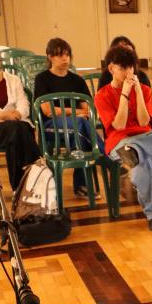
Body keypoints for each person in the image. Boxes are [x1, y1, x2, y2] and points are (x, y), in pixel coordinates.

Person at [94, 45, 152, 232]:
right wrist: (125, 94)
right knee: (145, 161)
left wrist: (138, 93)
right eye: (123, 68)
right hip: (119, 142)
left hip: (143, 136)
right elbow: (118, 125)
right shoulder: (102, 95)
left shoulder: (144, 89)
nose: (128, 72)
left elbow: (144, 121)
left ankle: (137, 151)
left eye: (131, 67)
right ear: (111, 69)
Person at [34, 38, 103, 198]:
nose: (65, 59)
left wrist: (64, 111)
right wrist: (74, 111)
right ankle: (105, 156)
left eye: (67, 55)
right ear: (50, 57)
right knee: (80, 124)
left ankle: (82, 185)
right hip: (51, 127)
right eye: (60, 55)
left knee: (79, 134)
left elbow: (87, 109)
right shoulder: (42, 79)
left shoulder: (76, 80)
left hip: (76, 127)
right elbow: (47, 110)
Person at [0, 43, 41, 190]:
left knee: (15, 133)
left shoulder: (14, 79)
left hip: (18, 122)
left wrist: (17, 114)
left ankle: (18, 189)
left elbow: (24, 105)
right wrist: (6, 115)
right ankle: (36, 176)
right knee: (16, 129)